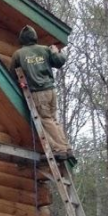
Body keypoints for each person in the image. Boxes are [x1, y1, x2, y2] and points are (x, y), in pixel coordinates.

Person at [9, 25, 73, 162]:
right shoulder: (45, 50)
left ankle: (59, 149)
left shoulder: (19, 54)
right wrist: (56, 52)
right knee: (53, 119)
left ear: (22, 39)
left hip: (38, 92)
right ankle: (67, 148)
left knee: (45, 120)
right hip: (51, 91)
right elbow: (60, 62)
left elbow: (12, 74)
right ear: (34, 37)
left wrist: (20, 83)